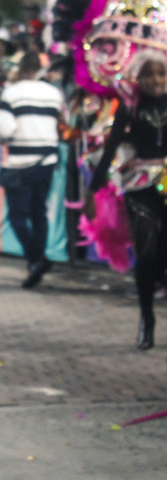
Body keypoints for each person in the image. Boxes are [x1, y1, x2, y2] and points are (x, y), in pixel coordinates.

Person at [84, 53, 167, 350]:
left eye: (162, 73)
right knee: (146, 255)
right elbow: (111, 147)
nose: (156, 79)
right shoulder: (129, 106)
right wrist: (92, 190)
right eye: (150, 74)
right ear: (139, 78)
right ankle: (147, 320)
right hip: (140, 186)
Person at [0, 51, 64, 289]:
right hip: (47, 160)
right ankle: (37, 261)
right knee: (38, 213)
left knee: (17, 216)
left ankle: (35, 259)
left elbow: (4, 129)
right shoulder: (54, 93)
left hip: (20, 163)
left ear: (21, 68)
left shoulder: (12, 93)